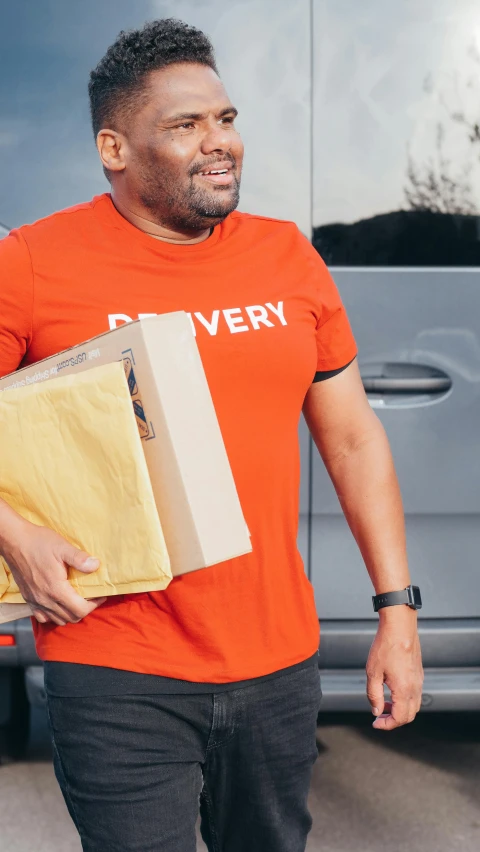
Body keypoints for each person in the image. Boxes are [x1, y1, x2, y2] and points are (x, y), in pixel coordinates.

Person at [0, 18, 423, 852]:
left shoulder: (287, 258)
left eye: (225, 119)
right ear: (114, 148)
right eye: (186, 126)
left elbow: (352, 441)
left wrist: (396, 613)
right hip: (116, 661)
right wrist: (15, 534)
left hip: (278, 661)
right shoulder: (34, 262)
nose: (219, 143)